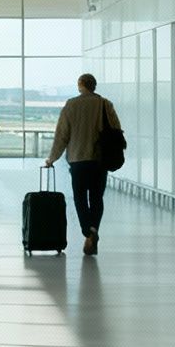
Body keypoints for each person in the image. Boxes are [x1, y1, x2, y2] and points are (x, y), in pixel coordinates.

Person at [43, 74, 122, 255]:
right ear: (94, 86)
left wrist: (52, 158)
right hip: (100, 159)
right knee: (96, 198)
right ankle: (93, 229)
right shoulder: (105, 104)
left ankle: (87, 231)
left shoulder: (71, 105)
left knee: (79, 197)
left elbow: (62, 135)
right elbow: (116, 129)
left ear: (80, 85)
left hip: (78, 159)